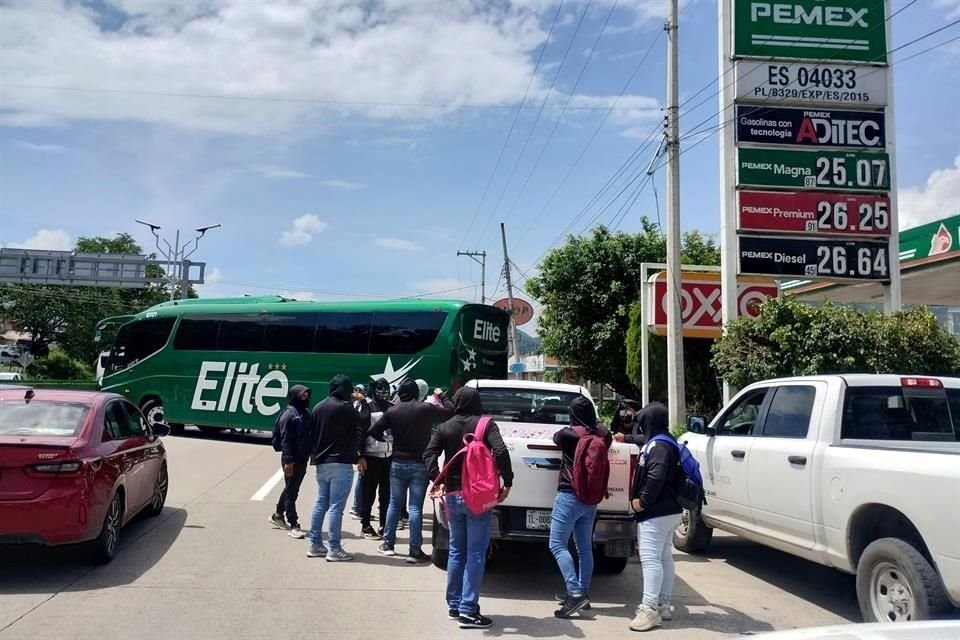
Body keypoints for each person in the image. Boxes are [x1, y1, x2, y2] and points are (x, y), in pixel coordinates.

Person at [424, 385, 513, 629]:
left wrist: (437, 479)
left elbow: (429, 454)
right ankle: (468, 610)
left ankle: (454, 604)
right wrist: (508, 481)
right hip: (477, 497)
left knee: (456, 551)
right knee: (475, 553)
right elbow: (501, 450)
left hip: (452, 496)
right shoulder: (486, 424)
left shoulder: (445, 427)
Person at [369, 378, 453, 563]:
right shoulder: (425, 409)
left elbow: (374, 431)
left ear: (400, 393)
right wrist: (442, 396)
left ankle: (388, 545)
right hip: (419, 464)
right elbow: (450, 412)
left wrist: (388, 441)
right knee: (415, 507)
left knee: (394, 504)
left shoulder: (392, 410)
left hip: (397, 462)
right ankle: (415, 551)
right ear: (416, 392)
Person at [549, 396, 612, 618]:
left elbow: (556, 436)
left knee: (557, 544)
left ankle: (574, 593)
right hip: (590, 500)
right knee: (584, 548)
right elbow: (607, 435)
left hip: (569, 496)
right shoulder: (603, 435)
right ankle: (583, 594)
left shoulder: (568, 435)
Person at [629, 401, 682, 632]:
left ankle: (649, 610)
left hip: (656, 512)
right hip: (671, 511)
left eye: (642, 423)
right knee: (664, 557)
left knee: (651, 560)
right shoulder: (666, 441)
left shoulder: (658, 447)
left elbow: (656, 474)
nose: (640, 427)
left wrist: (643, 501)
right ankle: (663, 605)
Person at [307, 374, 369, 562]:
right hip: (340, 463)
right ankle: (334, 548)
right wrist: (363, 401)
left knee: (320, 504)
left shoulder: (318, 407)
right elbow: (364, 421)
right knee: (336, 507)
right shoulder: (345, 408)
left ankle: (315, 544)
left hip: (322, 463)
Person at [270, 384, 312, 539]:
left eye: (307, 396)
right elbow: (286, 440)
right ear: (295, 397)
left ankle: (278, 515)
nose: (305, 399)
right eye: (302, 396)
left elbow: (309, 436)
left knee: (291, 488)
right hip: (292, 459)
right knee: (292, 491)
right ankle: (293, 524)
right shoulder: (288, 416)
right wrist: (288, 461)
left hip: (302, 458)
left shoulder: (306, 413)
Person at [359, 378, 394, 539]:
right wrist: (360, 456)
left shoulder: (392, 407)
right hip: (371, 456)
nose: (384, 391)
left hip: (389, 456)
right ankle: (365, 524)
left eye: (386, 388)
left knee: (386, 494)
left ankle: (383, 524)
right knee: (369, 493)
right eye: (380, 388)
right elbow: (360, 432)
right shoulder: (367, 407)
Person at [349, 384, 367, 521]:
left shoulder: (357, 405)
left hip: (356, 445)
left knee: (362, 477)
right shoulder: (356, 406)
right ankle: (356, 507)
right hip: (358, 446)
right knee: (361, 476)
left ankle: (358, 506)